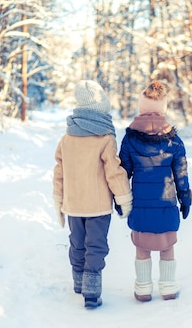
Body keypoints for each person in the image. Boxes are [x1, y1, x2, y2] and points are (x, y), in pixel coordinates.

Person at [53, 80, 133, 309]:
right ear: (101, 110)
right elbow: (114, 172)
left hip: (73, 204)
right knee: (96, 245)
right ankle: (91, 290)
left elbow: (59, 172)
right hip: (97, 206)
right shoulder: (105, 138)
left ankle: (79, 282)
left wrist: (58, 200)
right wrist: (123, 198)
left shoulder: (67, 138)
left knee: (77, 243)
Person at [119, 80, 192, 302]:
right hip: (166, 202)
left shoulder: (130, 138)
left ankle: (143, 289)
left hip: (141, 204)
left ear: (141, 107)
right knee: (167, 245)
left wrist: (120, 197)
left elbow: (124, 171)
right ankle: (168, 287)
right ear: (163, 109)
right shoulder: (173, 139)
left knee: (142, 247)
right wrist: (185, 196)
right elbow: (181, 171)